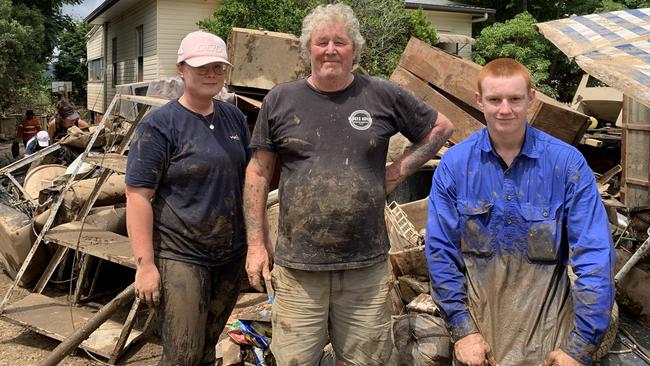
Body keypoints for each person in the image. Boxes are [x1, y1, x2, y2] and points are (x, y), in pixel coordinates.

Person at [244, 4, 454, 365]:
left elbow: (441, 128)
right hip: (297, 270)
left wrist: (397, 171)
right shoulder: (281, 99)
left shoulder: (382, 95)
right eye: (321, 41)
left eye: (340, 42)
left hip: (365, 270)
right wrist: (255, 245)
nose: (330, 50)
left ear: (354, 49)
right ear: (307, 48)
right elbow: (258, 174)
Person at [425, 58, 615, 366]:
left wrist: (579, 347)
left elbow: (594, 256)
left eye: (515, 99)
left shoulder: (566, 165)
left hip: (551, 339)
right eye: (494, 99)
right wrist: (462, 331)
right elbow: (440, 251)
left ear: (531, 98)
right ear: (479, 101)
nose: (504, 109)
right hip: (479, 342)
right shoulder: (456, 166)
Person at [125, 30, 250, 365]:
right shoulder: (160, 125)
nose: (211, 74)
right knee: (183, 354)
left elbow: (249, 180)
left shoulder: (234, 118)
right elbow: (138, 196)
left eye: (217, 68)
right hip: (181, 253)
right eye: (201, 67)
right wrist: (146, 264)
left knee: (207, 346)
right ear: (181, 68)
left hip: (230, 254)